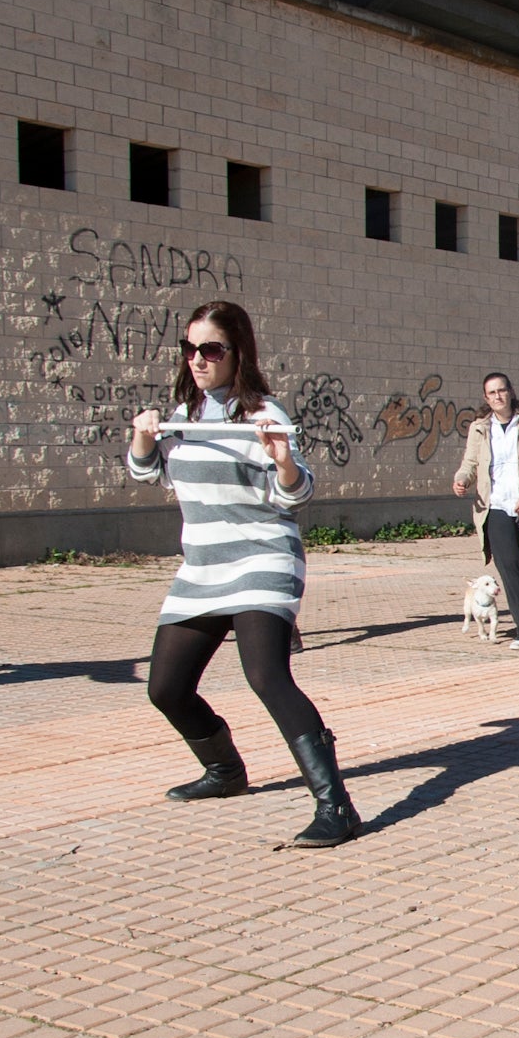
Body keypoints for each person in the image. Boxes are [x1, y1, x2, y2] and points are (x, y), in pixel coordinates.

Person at [127, 300, 359, 848]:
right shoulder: (182, 417)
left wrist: (282, 461)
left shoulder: (264, 415)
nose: (198, 360)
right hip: (203, 566)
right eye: (190, 349)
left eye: (210, 349)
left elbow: (295, 495)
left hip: (263, 558)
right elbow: (148, 473)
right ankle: (226, 772)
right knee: (166, 688)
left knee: (267, 677)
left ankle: (337, 807)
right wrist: (142, 439)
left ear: (238, 353)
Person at [453, 373, 519, 650]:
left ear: (510, 392)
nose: (497, 396)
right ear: (486, 398)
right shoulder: (479, 428)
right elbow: (470, 463)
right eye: (491, 393)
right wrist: (462, 479)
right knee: (511, 571)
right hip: (495, 507)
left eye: (501, 390)